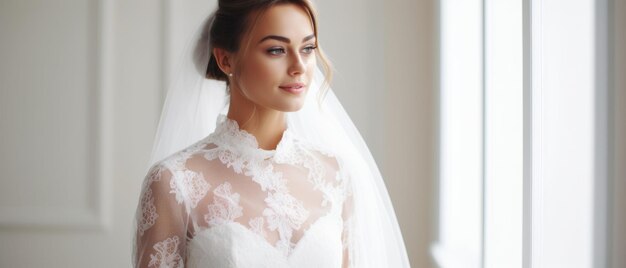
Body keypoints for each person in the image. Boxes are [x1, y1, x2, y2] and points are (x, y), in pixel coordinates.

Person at [132, 0, 410, 267]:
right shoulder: (174, 182)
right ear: (225, 59)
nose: (299, 66)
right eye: (277, 50)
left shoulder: (336, 176)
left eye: (308, 48)